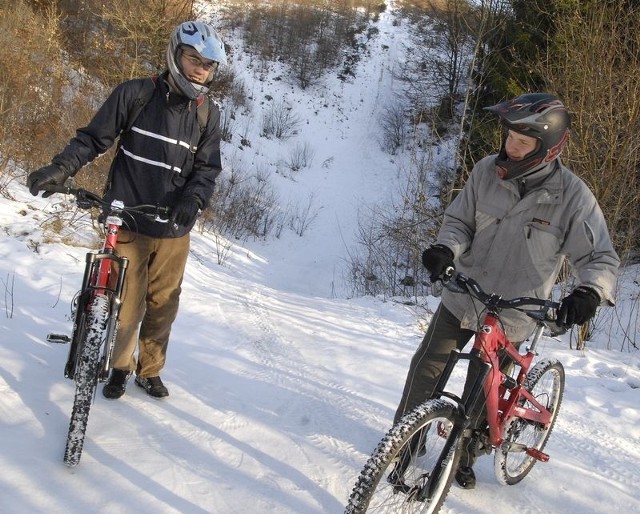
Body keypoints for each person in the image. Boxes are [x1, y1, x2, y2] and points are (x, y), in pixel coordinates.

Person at [394, 93, 619, 489]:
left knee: (481, 394)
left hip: (514, 313)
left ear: (548, 147)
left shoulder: (573, 198)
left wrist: (590, 293)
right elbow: (459, 221)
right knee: (425, 370)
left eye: (523, 140)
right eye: (510, 136)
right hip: (464, 296)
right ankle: (402, 450)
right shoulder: (485, 172)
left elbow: (601, 257)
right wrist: (446, 249)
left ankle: (463, 457)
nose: (511, 145)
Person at [27, 21, 227, 400]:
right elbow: (93, 139)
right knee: (127, 307)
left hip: (173, 228)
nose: (200, 69)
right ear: (175, 55)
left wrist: (193, 200)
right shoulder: (136, 93)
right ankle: (120, 367)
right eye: (193, 59)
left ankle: (149, 370)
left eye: (208, 65)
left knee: (163, 306)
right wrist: (61, 168)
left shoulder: (207, 114)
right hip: (128, 218)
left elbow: (207, 169)